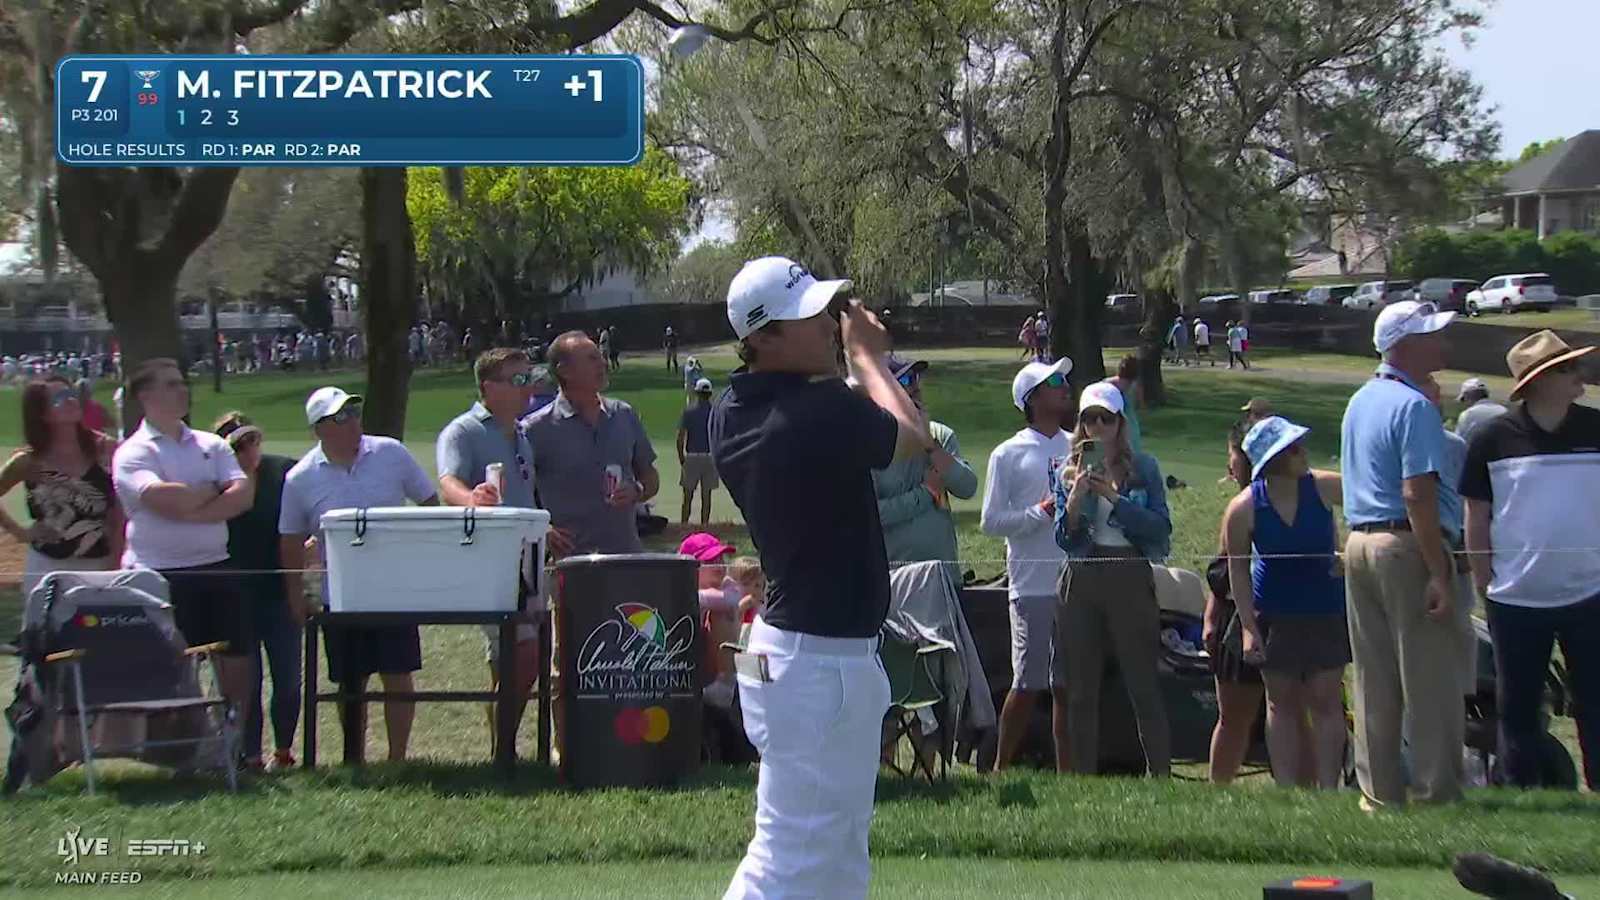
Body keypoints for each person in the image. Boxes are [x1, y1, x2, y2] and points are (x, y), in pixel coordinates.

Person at [711, 255, 930, 900]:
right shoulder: (818, 407)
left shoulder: (732, 407)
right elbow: (911, 436)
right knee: (794, 854)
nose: (832, 325)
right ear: (763, 338)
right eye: (813, 316)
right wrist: (869, 359)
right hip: (819, 663)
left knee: (831, 853)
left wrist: (854, 366)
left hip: (796, 654)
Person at [1462, 330, 1600, 789]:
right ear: (1537, 381)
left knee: (1594, 700)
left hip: (1590, 591)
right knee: (1518, 706)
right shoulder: (1492, 438)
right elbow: (1476, 513)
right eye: (1566, 369)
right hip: (1516, 597)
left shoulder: (1595, 427)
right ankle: (1522, 797)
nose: (1579, 375)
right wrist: (1483, 577)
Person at [1339, 300, 1463, 809]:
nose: (1441, 342)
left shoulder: (1361, 400)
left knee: (1374, 681)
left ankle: (1378, 797)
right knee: (1429, 678)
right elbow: (1418, 494)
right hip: (1404, 546)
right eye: (1431, 334)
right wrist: (1440, 571)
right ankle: (1437, 795)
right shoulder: (1414, 406)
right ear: (1404, 346)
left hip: (1358, 543)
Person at [279, 387, 438, 762]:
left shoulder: (391, 453)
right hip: (341, 595)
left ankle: (398, 758)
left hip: (394, 588)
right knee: (351, 682)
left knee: (398, 675)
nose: (352, 421)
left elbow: (430, 505)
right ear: (319, 429)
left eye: (353, 411)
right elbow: (289, 541)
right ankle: (354, 759)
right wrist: (295, 595)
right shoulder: (300, 478)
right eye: (340, 417)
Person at [111, 358, 257, 711]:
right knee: (172, 666)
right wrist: (211, 491)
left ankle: (232, 741)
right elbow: (166, 500)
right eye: (171, 384)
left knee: (237, 659)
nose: (182, 390)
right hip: (158, 575)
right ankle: (184, 750)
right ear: (146, 395)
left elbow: (243, 496)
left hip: (216, 567)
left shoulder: (212, 444)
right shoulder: (133, 452)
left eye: (182, 382)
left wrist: (193, 501)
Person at [1051, 382, 1173, 776]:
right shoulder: (1066, 469)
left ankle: (1161, 776)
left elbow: (1159, 530)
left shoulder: (1145, 468)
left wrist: (1114, 498)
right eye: (1089, 419)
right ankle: (1083, 778)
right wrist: (1073, 501)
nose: (1097, 427)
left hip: (1129, 573)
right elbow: (1063, 538)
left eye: (1106, 418)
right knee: (1081, 688)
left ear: (1121, 423)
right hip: (1082, 575)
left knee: (1143, 683)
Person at [1222, 416, 1348, 789]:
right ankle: (1287, 791)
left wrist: (1351, 549)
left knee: (1326, 699)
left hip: (1325, 610)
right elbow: (1238, 573)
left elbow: (1371, 504)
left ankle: (1328, 791)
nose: (1303, 452)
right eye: (1293, 447)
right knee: (1281, 703)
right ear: (1275, 457)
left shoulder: (1324, 487)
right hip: (1273, 615)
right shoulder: (1243, 507)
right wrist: (1247, 628)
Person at [436, 348, 541, 759]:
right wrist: (471, 499)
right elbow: (448, 483)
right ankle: (503, 749)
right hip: (488, 562)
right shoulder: (462, 432)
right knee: (525, 651)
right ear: (487, 388)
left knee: (513, 657)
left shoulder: (522, 434)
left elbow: (524, 495)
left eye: (528, 377)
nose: (527, 387)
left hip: (528, 556)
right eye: (516, 380)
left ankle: (504, 749)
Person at [980, 357, 1073, 771]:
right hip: (1031, 584)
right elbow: (990, 521)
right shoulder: (1008, 454)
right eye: (1054, 382)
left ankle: (1071, 772)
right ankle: (1001, 766)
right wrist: (1039, 512)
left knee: (1068, 685)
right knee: (1029, 682)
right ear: (1031, 399)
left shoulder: (1077, 445)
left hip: (1073, 583)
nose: (1064, 386)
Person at [214, 412, 301, 771]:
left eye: (251, 440)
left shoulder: (285, 472)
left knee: (289, 680)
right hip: (234, 595)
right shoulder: (214, 483)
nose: (246, 450)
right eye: (236, 445)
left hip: (281, 592)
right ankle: (248, 754)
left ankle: (283, 751)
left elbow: (306, 515)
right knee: (245, 682)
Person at [522, 331, 660, 557]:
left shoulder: (623, 415)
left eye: (600, 356)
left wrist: (637, 490)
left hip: (627, 557)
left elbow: (650, 477)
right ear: (564, 371)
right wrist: (542, 529)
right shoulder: (535, 429)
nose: (603, 363)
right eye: (592, 359)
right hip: (571, 564)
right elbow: (517, 495)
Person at [0, 376, 122, 598]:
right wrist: (20, 532)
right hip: (46, 567)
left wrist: (117, 561)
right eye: (58, 398)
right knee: (45, 631)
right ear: (42, 413)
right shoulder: (28, 461)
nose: (69, 401)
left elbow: (120, 512)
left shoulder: (106, 449)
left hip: (100, 564)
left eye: (70, 394)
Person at [1203, 419, 1267, 784]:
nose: (1229, 465)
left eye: (1232, 455)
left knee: (1284, 710)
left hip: (1269, 617)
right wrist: (1211, 618)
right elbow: (1222, 570)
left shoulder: (1258, 504)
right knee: (1233, 718)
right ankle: (1219, 794)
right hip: (1232, 620)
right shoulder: (1236, 506)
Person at [871, 356, 978, 570]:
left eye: (915, 379)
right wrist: (926, 494)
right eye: (903, 381)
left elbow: (967, 487)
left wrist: (931, 446)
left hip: (944, 575)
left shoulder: (940, 434)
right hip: (894, 578)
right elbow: (870, 514)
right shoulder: (869, 443)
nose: (914, 387)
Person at [678, 378, 720, 527]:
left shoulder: (688, 411)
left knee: (687, 495)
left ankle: (684, 524)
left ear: (696, 393)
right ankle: (704, 526)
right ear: (709, 394)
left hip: (692, 456)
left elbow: (681, 437)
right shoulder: (716, 412)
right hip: (710, 457)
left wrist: (682, 458)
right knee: (706, 496)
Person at [1103, 354, 1145, 454]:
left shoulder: (1106, 384)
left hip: (1113, 424)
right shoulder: (1136, 386)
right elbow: (1140, 405)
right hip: (1131, 424)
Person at [1454, 377, 1507, 443]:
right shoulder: (1504, 411)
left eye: (1463, 399)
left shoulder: (1468, 414)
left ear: (1467, 395)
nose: (1465, 403)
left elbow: (1458, 442)